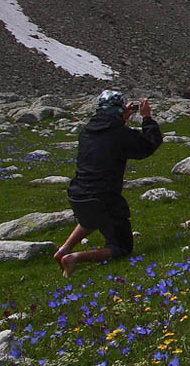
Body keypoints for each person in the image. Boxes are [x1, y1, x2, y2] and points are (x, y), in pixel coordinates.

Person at [55, 91, 162, 278]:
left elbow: (108, 136)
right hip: (104, 197)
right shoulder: (119, 134)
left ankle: (64, 249)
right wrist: (146, 118)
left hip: (77, 194)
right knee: (121, 247)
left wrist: (122, 119)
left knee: (90, 218)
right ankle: (74, 257)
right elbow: (148, 145)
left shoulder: (87, 130)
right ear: (119, 110)